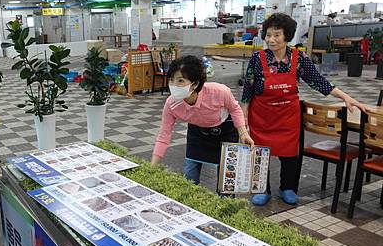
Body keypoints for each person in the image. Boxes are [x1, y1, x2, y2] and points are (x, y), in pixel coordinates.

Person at [241, 13, 365, 206]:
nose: (271, 40)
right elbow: (247, 90)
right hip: (261, 116)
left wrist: (346, 97)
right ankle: (261, 189)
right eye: (268, 35)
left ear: (287, 36)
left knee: (290, 154)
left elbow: (318, 82)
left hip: (288, 117)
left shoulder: (299, 58)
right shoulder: (258, 58)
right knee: (260, 153)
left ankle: (287, 188)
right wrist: (244, 121)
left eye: (276, 35)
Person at [151, 56, 253, 185]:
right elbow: (164, 135)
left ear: (195, 84)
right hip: (197, 132)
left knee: (226, 177)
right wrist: (152, 167)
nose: (174, 86)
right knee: (189, 175)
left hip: (225, 130)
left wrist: (243, 134)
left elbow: (235, 109)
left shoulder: (219, 91)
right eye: (171, 80)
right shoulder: (171, 104)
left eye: (180, 81)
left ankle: (226, 201)